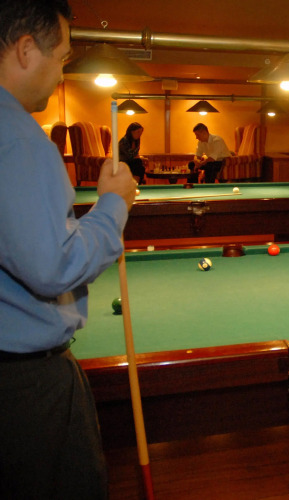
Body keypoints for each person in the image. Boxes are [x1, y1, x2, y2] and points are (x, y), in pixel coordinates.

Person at [0, 1, 137, 498]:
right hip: (25, 385)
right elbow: (53, 265)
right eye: (61, 58)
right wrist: (113, 204)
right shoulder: (17, 138)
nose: (61, 73)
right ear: (25, 50)